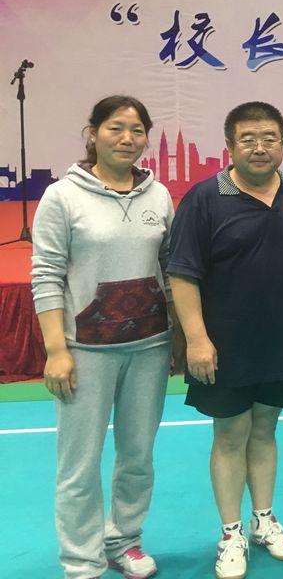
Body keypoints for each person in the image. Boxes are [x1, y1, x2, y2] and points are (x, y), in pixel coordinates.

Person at [169, 102, 283, 579]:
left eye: (269, 138)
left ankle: (263, 520)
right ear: (230, 146)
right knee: (230, 434)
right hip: (225, 344)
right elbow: (182, 273)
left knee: (265, 430)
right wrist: (197, 339)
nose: (260, 147)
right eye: (248, 139)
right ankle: (231, 532)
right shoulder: (204, 199)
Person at [31, 96, 177, 579]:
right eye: (116, 128)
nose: (127, 139)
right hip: (85, 352)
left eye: (137, 130)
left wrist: (179, 335)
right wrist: (56, 350)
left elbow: (169, 270)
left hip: (149, 349)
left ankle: (124, 541)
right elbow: (46, 275)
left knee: (138, 458)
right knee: (79, 465)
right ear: (92, 133)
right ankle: (82, 560)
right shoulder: (62, 197)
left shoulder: (159, 196)